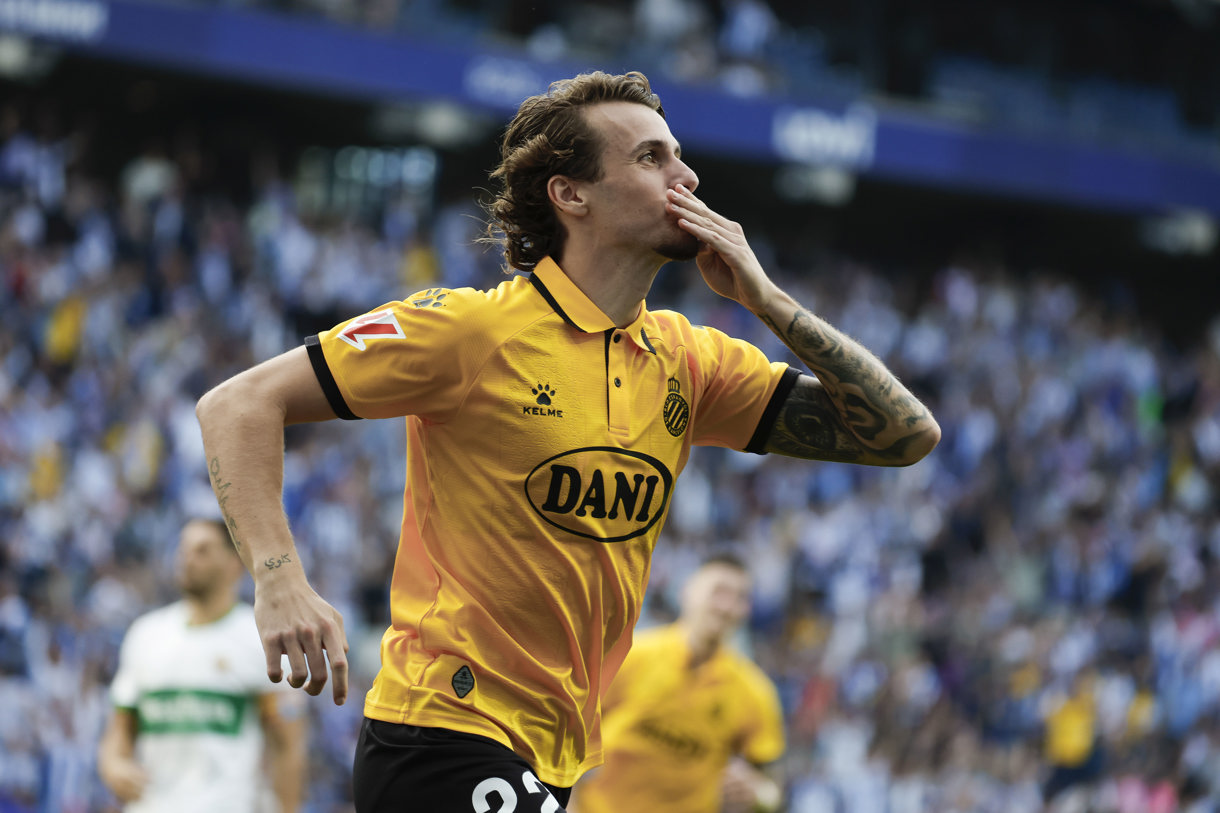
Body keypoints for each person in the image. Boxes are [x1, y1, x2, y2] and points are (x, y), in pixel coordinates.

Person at [194, 70, 939, 812]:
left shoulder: (691, 360)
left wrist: (768, 301)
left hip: (551, 756)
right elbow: (238, 404)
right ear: (571, 194)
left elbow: (905, 436)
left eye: (678, 155)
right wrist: (278, 578)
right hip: (442, 732)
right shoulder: (472, 330)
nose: (688, 175)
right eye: (651, 158)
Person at [96, 518, 308, 813]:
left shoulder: (261, 640)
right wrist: (113, 765)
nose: (187, 559)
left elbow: (287, 746)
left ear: (235, 562)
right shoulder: (145, 634)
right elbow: (120, 728)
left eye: (202, 550)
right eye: (183, 550)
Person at [571, 554, 785, 813]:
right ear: (687, 591)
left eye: (740, 598)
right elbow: (571, 738)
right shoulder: (631, 657)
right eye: (719, 591)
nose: (726, 606)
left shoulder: (754, 692)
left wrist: (763, 794)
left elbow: (772, 789)